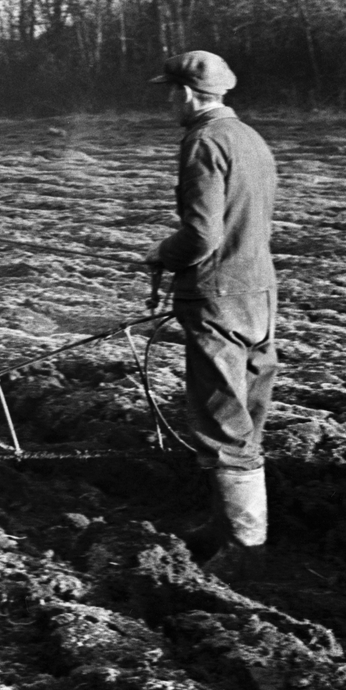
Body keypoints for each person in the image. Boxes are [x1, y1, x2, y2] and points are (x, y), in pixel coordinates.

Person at [143, 50, 278, 581]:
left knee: (222, 417)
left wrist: (162, 254)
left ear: (186, 93)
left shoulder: (202, 141)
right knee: (246, 411)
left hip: (217, 296)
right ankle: (228, 526)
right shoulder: (249, 137)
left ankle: (245, 548)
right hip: (258, 293)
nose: (165, 103)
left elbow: (202, 235)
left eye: (168, 93)